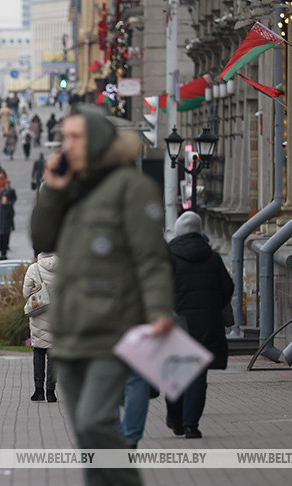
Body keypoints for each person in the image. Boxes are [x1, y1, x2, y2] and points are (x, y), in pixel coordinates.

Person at [31, 105, 174, 485]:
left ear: (97, 140)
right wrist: (52, 192)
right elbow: (43, 240)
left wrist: (160, 311)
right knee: (86, 436)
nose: (68, 145)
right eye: (65, 137)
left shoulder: (131, 188)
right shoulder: (68, 188)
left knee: (96, 421)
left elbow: (151, 258)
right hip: (70, 329)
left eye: (76, 137)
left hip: (115, 327)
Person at [166, 211, 233, 439]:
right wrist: (212, 306)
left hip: (175, 323)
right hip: (206, 323)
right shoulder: (213, 258)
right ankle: (190, 424)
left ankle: (175, 418)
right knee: (197, 374)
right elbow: (227, 289)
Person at [24, 253, 57, 402]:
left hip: (39, 313)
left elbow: (26, 293)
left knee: (38, 351)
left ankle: (38, 391)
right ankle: (51, 392)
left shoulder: (34, 268)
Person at [0, 195, 14, 259]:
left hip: (6, 226)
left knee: (5, 239)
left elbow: (11, 217)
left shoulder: (9, 207)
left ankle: (4, 253)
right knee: (1, 240)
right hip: (1, 226)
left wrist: (12, 225)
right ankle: (2, 251)